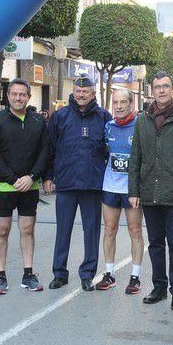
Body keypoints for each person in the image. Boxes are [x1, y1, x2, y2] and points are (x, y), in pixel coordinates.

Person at [128, 71, 173, 311]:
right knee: (155, 243)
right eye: (157, 86)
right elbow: (135, 157)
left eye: (165, 86)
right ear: (152, 90)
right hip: (149, 192)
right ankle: (159, 287)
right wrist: (134, 191)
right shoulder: (142, 120)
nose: (161, 90)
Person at [44, 76, 111, 291]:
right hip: (66, 182)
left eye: (86, 92)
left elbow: (111, 150)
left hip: (93, 183)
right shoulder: (60, 116)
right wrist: (48, 176)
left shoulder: (103, 117)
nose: (81, 95)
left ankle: (87, 274)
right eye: (78, 91)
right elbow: (49, 149)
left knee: (91, 231)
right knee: (63, 230)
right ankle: (60, 273)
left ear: (93, 94)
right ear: (73, 92)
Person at [0, 78, 48, 295]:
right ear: (8, 96)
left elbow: (45, 153)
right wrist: (13, 179)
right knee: (1, 231)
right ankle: (0, 276)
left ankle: (28, 274)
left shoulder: (39, 122)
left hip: (29, 187)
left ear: (29, 97)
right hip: (4, 186)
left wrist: (32, 176)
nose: (18, 98)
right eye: (14, 94)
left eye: (22, 94)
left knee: (27, 230)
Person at [96, 88, 145, 294]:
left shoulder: (141, 126)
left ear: (131, 104)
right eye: (115, 102)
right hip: (110, 186)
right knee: (109, 229)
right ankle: (109, 273)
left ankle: (135, 277)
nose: (118, 106)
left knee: (135, 230)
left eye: (123, 102)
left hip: (132, 188)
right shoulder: (108, 126)